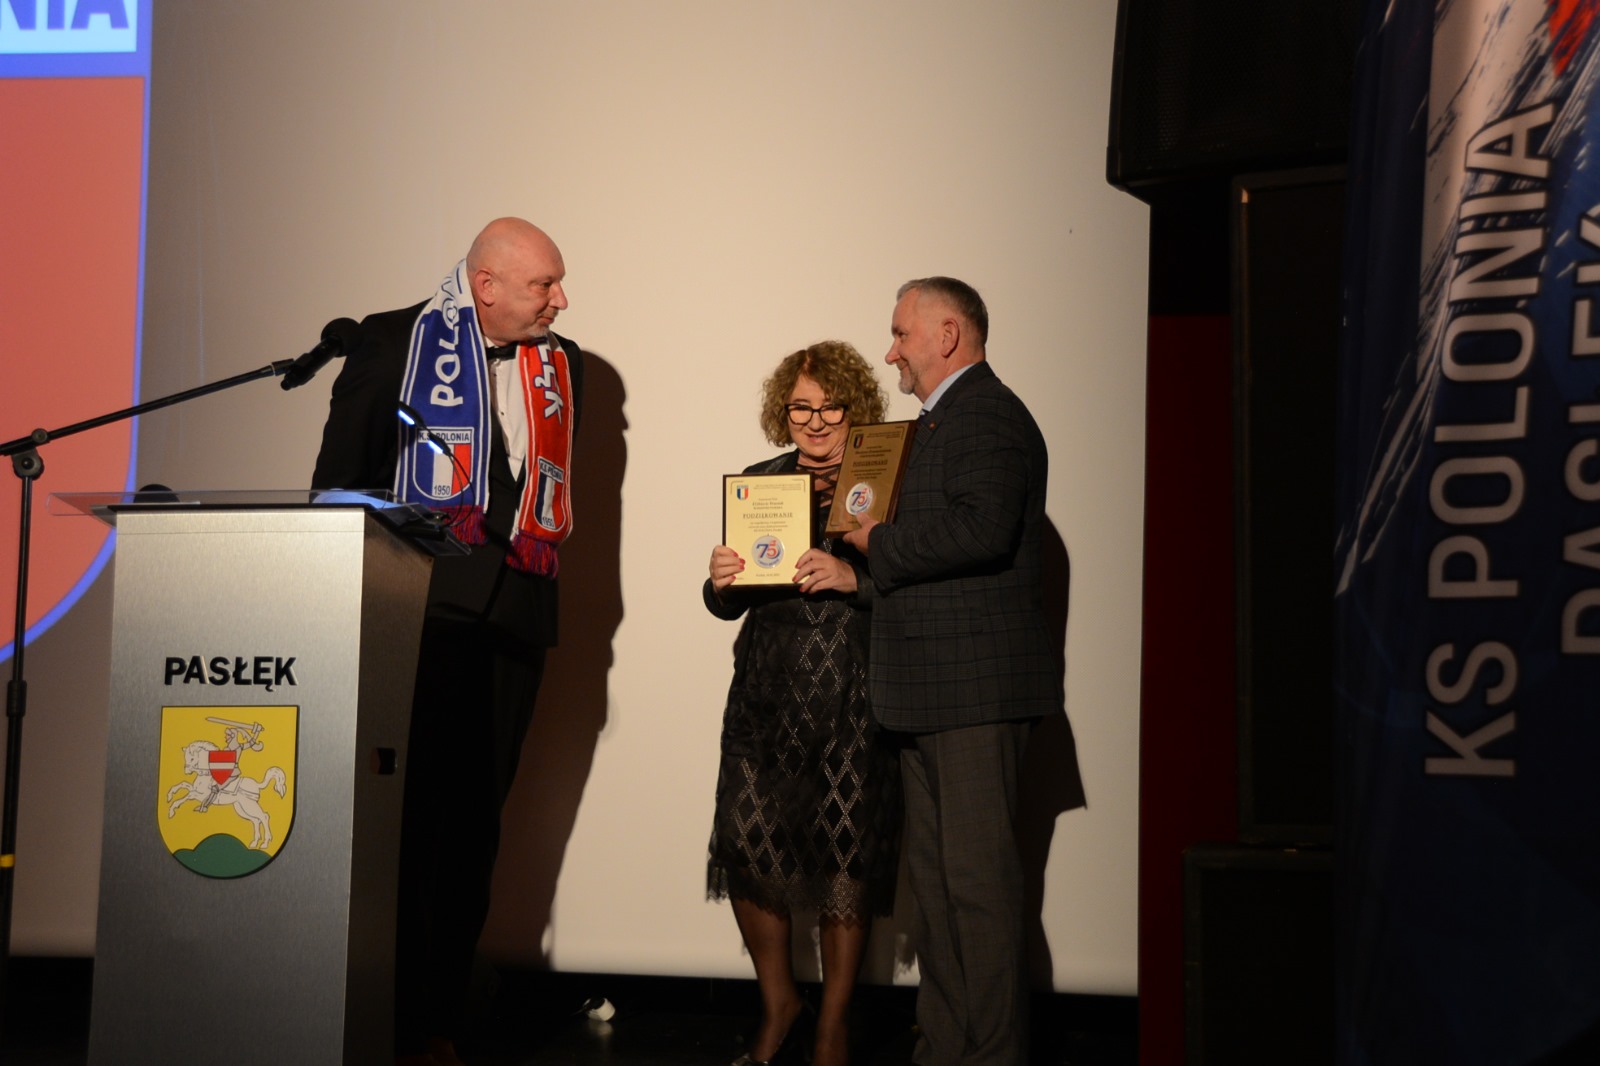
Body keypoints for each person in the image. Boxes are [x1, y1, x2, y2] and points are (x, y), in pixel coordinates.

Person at [311, 218, 583, 1066]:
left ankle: (440, 1021)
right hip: (420, 619)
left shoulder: (560, 363)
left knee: (474, 831)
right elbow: (335, 485)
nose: (561, 301)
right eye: (545, 285)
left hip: (516, 619)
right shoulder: (391, 342)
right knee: (408, 827)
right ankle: (385, 1019)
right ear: (487, 284)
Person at [842, 278, 1059, 1066]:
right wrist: (857, 574)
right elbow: (939, 560)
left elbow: (983, 531)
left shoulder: (988, 415)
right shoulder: (938, 424)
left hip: (973, 695)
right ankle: (944, 1048)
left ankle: (992, 1055)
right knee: (936, 893)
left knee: (977, 890)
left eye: (901, 334)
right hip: (927, 692)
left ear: (946, 335)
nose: (890, 352)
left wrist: (877, 545)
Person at [705, 341, 904, 1066]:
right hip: (767, 692)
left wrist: (858, 582)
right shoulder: (762, 482)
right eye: (800, 408)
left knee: (843, 856)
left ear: (855, 410)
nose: (815, 422)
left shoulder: (886, 481)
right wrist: (720, 581)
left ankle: (832, 1030)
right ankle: (780, 1004)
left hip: (853, 694)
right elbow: (728, 602)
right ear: (782, 412)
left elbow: (923, 585)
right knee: (747, 844)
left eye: (830, 407)